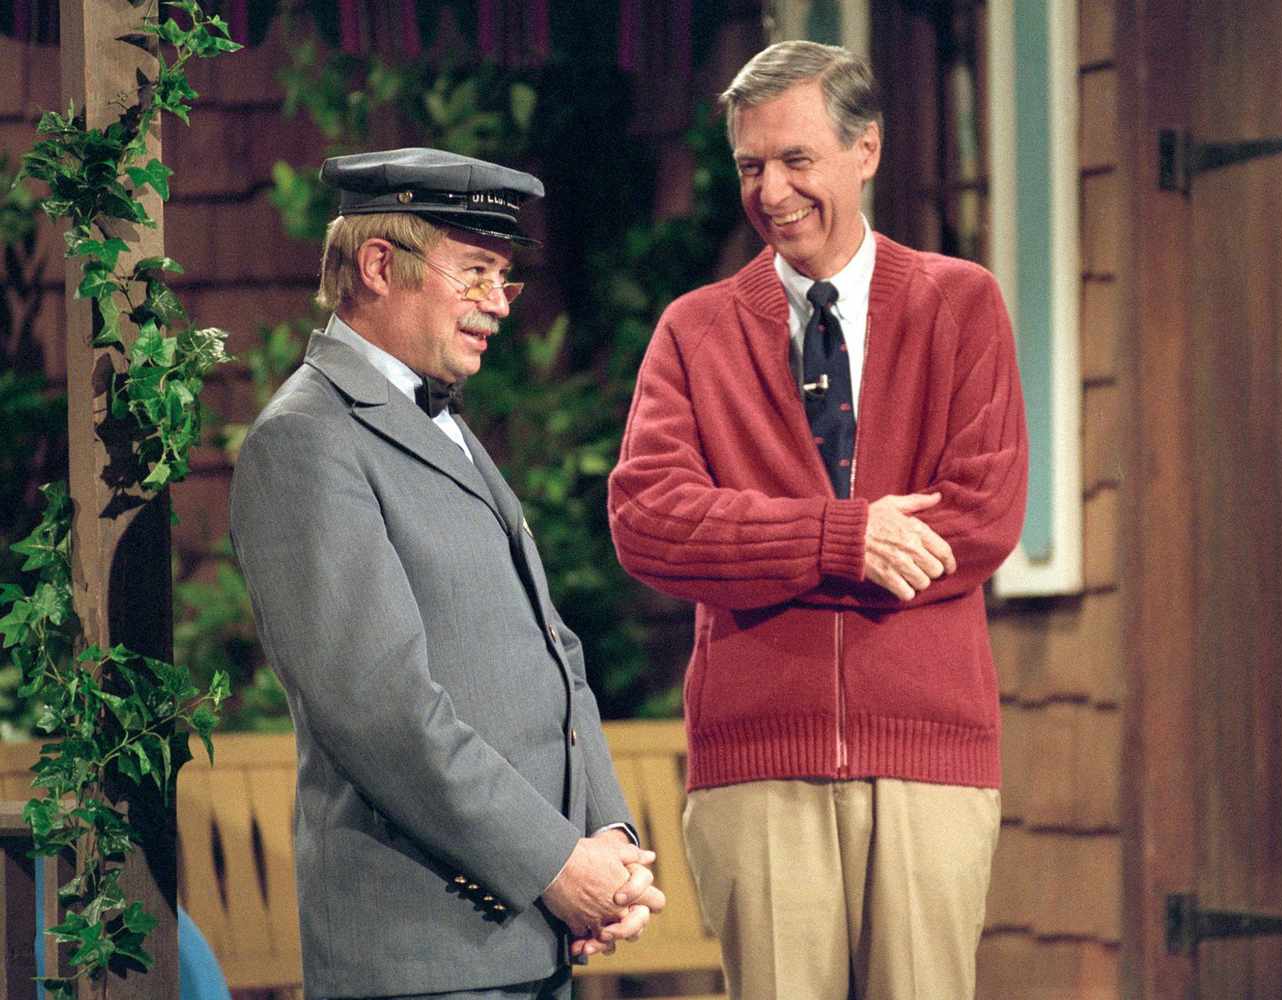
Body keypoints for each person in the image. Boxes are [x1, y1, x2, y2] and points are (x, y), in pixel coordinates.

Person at [607, 40, 1028, 1000]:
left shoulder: (963, 306)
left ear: (865, 151)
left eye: (797, 160)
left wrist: (753, 545)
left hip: (928, 762)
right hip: (755, 770)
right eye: (752, 166)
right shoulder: (695, 330)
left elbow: (983, 514)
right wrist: (845, 538)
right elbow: (649, 519)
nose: (772, 191)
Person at [231, 147, 662, 1000]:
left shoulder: (443, 420)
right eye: (475, 274)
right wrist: (553, 864)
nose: (498, 305)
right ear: (379, 265)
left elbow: (553, 648)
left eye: (504, 278)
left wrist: (604, 840)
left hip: (528, 938)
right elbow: (379, 709)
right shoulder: (308, 439)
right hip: (424, 952)